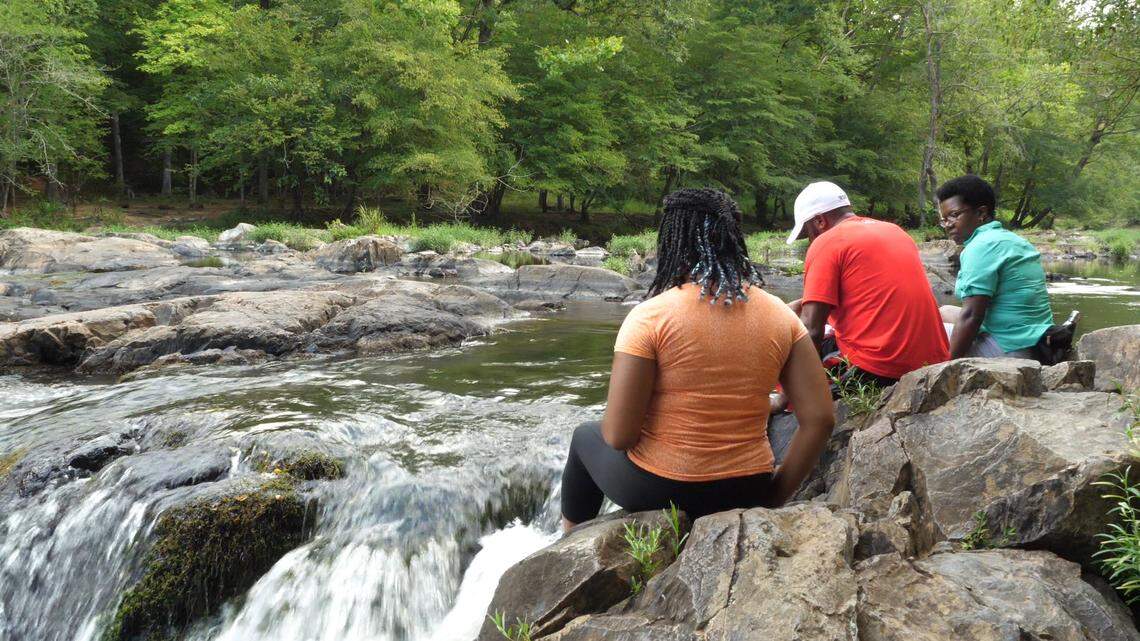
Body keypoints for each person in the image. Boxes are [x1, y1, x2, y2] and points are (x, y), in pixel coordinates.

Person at [559, 189, 835, 532]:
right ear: (736, 240)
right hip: (747, 487)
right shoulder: (781, 315)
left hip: (664, 490)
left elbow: (618, 436)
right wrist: (772, 496)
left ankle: (570, 544)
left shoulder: (651, 316)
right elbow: (821, 418)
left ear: (672, 239)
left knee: (585, 436)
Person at [784, 181, 949, 394]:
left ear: (820, 221)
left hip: (883, 369)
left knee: (795, 346)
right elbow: (874, 294)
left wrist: (795, 395)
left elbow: (811, 330)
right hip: (934, 361)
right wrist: (799, 305)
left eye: (809, 233)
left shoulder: (827, 242)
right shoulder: (894, 231)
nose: (810, 240)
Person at [936, 174, 1057, 360]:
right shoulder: (1013, 240)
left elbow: (971, 316)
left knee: (917, 331)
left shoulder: (980, 247)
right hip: (1037, 344)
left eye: (954, 215)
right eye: (944, 219)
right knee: (943, 312)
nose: (948, 225)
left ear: (981, 213)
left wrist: (946, 366)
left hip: (1011, 351)